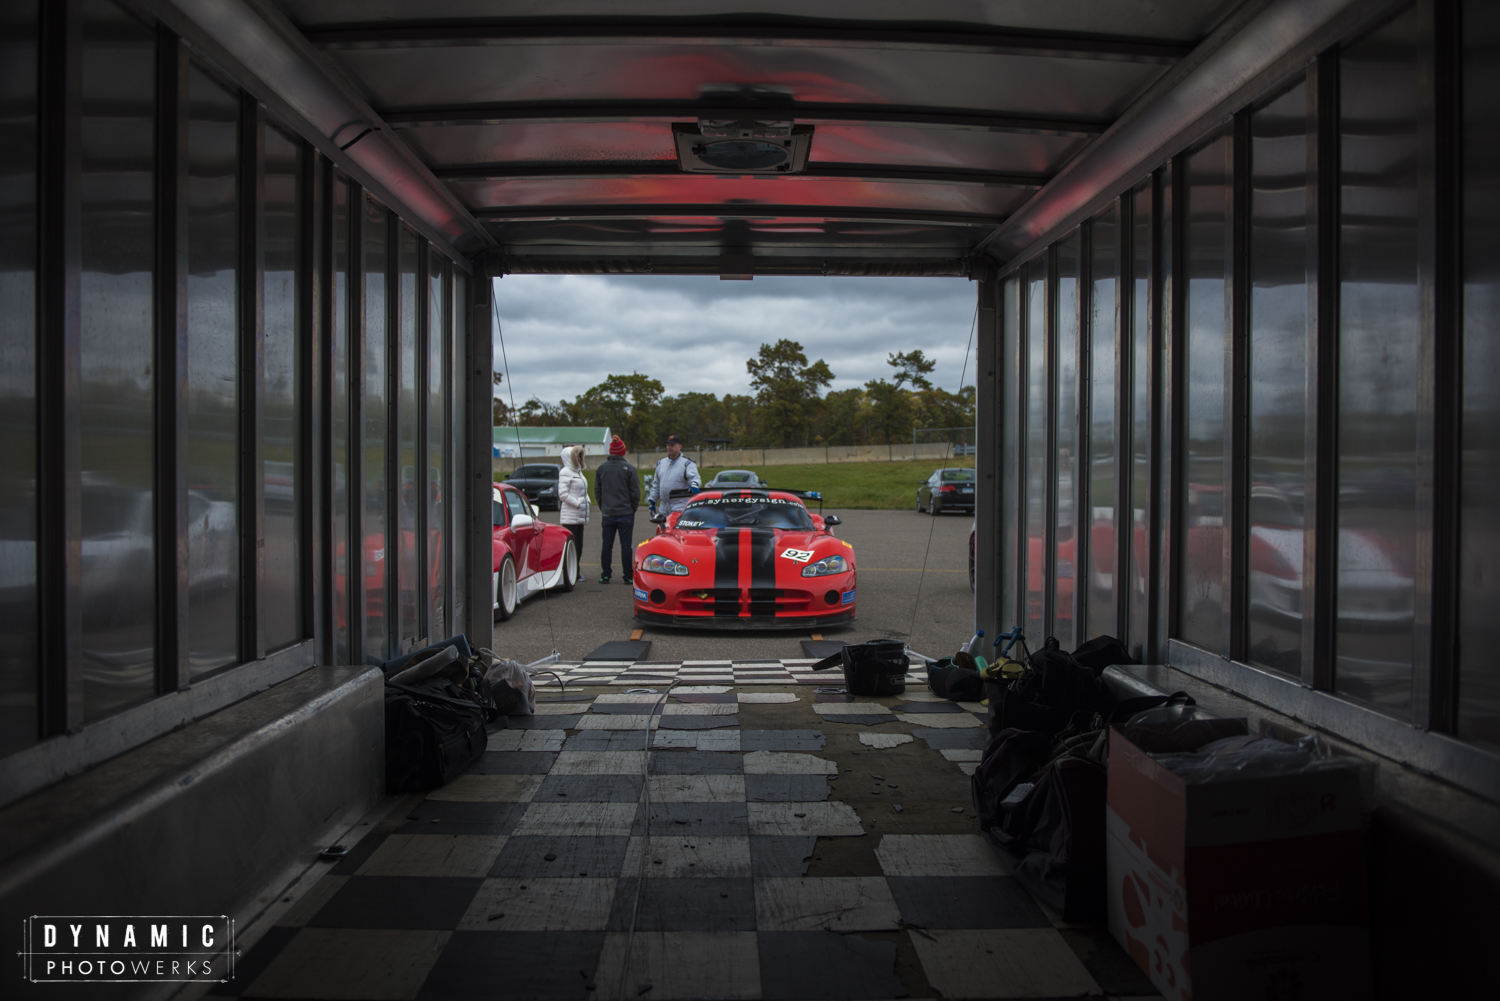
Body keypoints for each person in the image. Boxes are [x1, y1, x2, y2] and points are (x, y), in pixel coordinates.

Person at [595, 434, 641, 584]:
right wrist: (632, 508)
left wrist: (603, 506)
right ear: (622, 451)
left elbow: (597, 490)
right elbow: (635, 492)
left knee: (606, 545)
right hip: (625, 513)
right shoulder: (629, 468)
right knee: (626, 546)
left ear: (610, 452)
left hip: (608, 512)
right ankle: (627, 576)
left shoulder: (601, 468)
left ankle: (605, 574)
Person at [646, 434, 701, 518]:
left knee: (677, 531)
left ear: (680, 446)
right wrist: (652, 501)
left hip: (679, 506)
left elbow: (694, 478)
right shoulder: (661, 463)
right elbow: (656, 485)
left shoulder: (687, 463)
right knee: (663, 530)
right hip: (663, 508)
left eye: (672, 445)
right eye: (668, 445)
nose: (669, 447)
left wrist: (694, 484)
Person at [557, 445, 591, 558]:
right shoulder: (565, 472)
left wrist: (588, 501)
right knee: (572, 548)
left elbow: (583, 491)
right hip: (570, 517)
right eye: (577, 456)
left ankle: (576, 571)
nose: (580, 459)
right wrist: (577, 504)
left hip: (580, 516)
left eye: (580, 456)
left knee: (579, 546)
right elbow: (563, 494)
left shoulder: (578, 472)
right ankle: (572, 573)